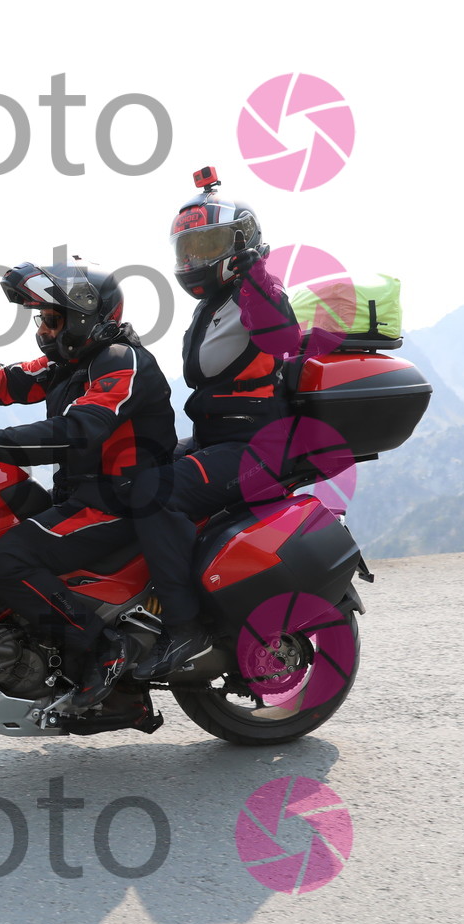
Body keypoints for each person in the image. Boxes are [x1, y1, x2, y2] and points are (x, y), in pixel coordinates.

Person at [0, 259, 175, 708]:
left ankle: (101, 647)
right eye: (42, 319)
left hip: (119, 500)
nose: (44, 330)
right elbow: (8, 385)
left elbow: (75, 432)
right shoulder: (67, 362)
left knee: (4, 561)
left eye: (53, 320)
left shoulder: (119, 361)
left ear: (84, 319)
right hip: (82, 494)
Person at [128, 167, 307, 680]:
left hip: (255, 447)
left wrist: (256, 277)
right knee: (130, 472)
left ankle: (186, 627)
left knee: (156, 494)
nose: (193, 259)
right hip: (219, 439)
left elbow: (283, 336)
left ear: (239, 243)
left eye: (205, 245)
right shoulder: (214, 304)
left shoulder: (257, 292)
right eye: (187, 248)